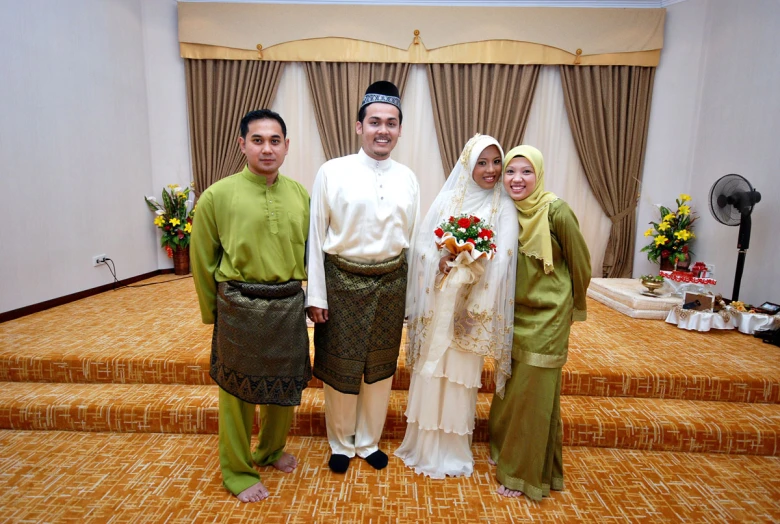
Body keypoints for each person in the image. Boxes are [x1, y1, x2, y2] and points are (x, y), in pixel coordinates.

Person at [190, 109, 311, 503]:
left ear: (286, 146)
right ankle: (238, 471)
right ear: (242, 144)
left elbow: (313, 252)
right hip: (239, 306)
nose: (267, 148)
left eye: (275, 141)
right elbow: (202, 259)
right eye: (257, 140)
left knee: (285, 386)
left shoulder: (300, 195)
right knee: (236, 394)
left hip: (288, 304)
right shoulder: (217, 195)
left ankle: (270, 450)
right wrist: (214, 312)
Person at [306, 81, 420, 474]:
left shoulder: (408, 177)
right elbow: (316, 237)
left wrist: (412, 300)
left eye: (391, 123)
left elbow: (415, 242)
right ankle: (340, 442)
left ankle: (368, 441)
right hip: (341, 283)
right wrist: (315, 295)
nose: (382, 130)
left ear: (400, 130)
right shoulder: (331, 171)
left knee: (380, 368)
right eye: (374, 122)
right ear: (359, 127)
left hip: (391, 284)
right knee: (341, 370)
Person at [395, 134, 518, 478]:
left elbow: (504, 259)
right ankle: (423, 445)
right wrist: (443, 261)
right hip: (439, 304)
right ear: (467, 164)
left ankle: (450, 451)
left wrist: (471, 270)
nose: (491, 170)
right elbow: (422, 247)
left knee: (459, 380)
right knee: (431, 374)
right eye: (482, 162)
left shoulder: (503, 205)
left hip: (471, 309)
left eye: (496, 162)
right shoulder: (450, 198)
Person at [488, 145, 591, 500]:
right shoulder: (505, 211)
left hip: (548, 318)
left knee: (534, 396)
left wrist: (572, 309)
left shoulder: (556, 211)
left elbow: (581, 264)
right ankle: (504, 450)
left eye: (526, 172)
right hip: (513, 314)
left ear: (539, 174)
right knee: (512, 390)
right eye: (510, 172)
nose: (517, 179)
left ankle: (522, 474)